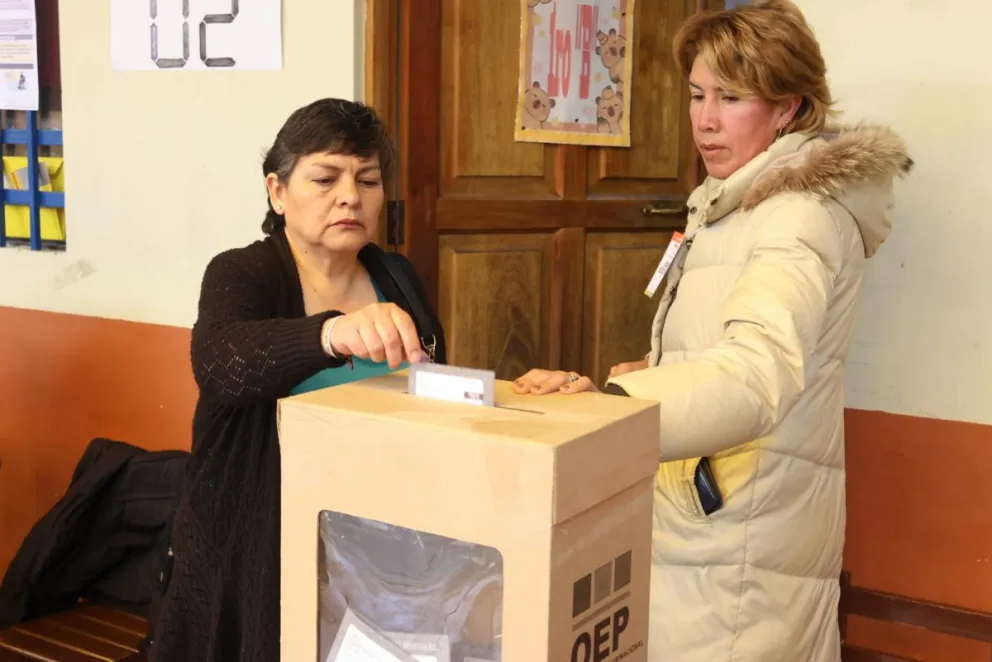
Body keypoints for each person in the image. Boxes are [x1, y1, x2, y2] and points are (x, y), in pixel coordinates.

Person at [512, 1, 911, 660]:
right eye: (698, 95)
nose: (704, 119)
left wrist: (611, 411)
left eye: (731, 97)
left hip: (741, 535)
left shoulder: (796, 216)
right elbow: (728, 346)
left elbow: (754, 375)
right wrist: (658, 374)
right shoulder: (732, 200)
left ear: (787, 107)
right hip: (714, 515)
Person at [149, 99, 445, 662]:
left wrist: (511, 393)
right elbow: (220, 362)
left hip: (379, 543)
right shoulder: (244, 272)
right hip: (259, 547)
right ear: (277, 191)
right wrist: (330, 334)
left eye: (368, 180)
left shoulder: (395, 276)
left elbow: (429, 383)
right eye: (325, 179)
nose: (350, 196)